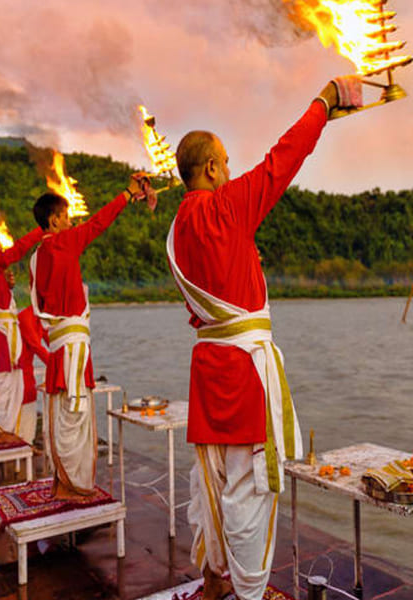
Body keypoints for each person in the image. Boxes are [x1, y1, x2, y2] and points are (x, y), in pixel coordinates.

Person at [167, 80, 355, 600]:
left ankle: (211, 581)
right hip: (244, 377)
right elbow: (284, 157)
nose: (230, 169)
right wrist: (324, 101)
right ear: (209, 169)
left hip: (207, 371)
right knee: (250, 491)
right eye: (225, 162)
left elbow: (207, 303)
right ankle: (250, 592)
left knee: (210, 482)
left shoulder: (177, 228)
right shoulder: (227, 207)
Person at [30, 173, 153, 499]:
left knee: (62, 414)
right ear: (55, 221)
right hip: (71, 348)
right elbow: (99, 222)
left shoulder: (35, 256)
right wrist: (127, 192)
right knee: (76, 415)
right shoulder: (62, 244)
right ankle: (73, 485)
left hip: (60, 346)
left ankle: (63, 481)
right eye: (66, 217)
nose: (70, 223)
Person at [0, 227, 43, 443]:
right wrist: (41, 229)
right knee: (2, 382)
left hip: (1, 329)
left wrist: (6, 285)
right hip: (2, 332)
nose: (0, 246)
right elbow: (19, 249)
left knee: (3, 382)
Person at [16, 302, 49, 445]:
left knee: (31, 397)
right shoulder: (26, 317)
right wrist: (58, 368)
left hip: (26, 367)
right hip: (15, 367)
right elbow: (36, 346)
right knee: (21, 399)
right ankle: (17, 444)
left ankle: (27, 443)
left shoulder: (43, 319)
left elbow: (53, 342)